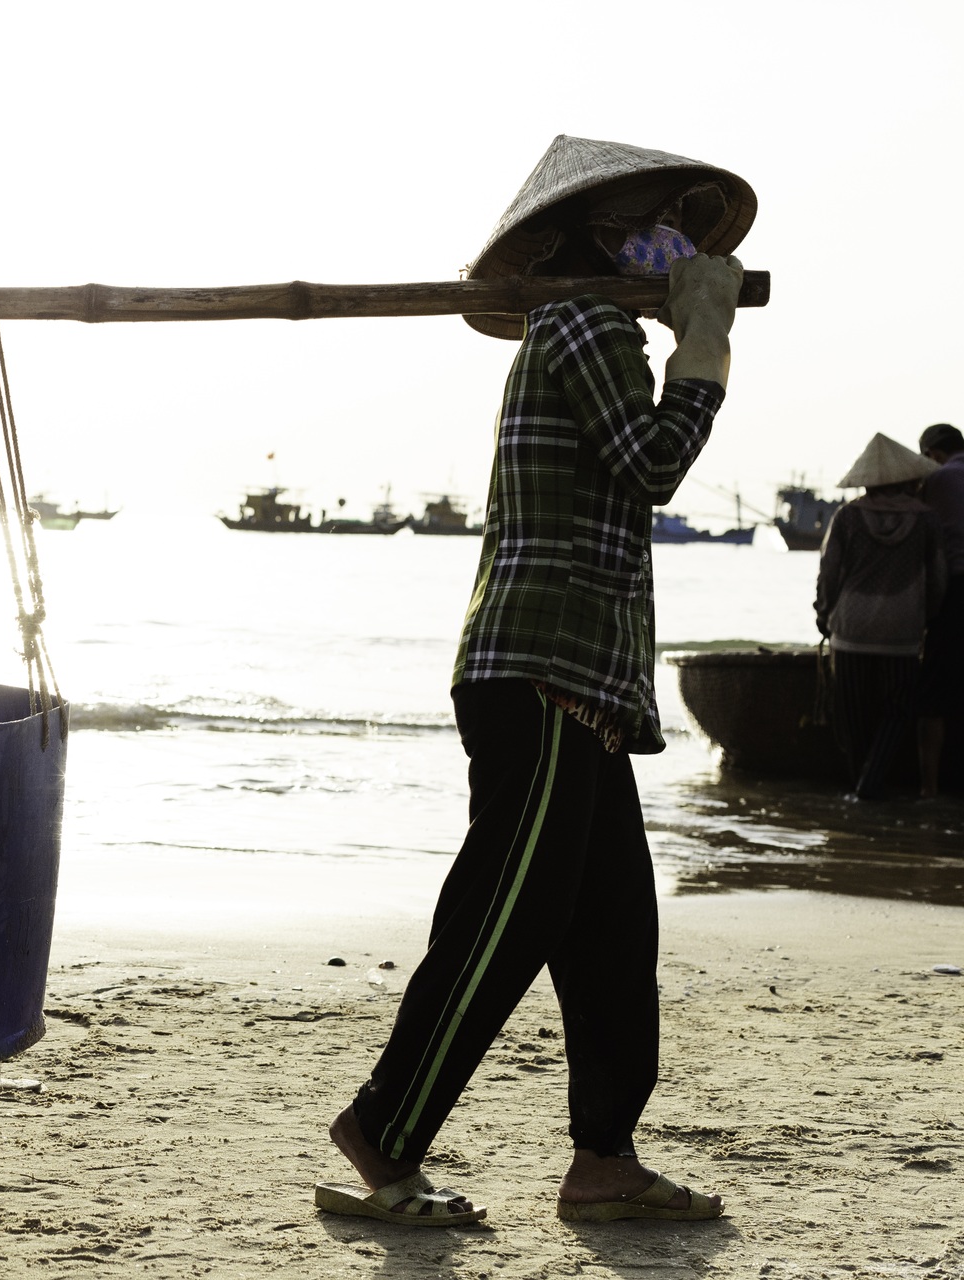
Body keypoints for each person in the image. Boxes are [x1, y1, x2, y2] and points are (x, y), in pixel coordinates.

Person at [315, 136, 751, 1227]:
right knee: (504, 919)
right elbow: (653, 465)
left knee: (614, 938)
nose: (678, 246)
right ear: (603, 238)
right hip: (543, 674)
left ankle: (604, 1157)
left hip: (588, 685)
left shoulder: (584, 327)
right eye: (659, 226)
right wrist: (705, 341)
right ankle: (387, 1126)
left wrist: (695, 335)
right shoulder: (585, 320)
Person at [814, 435, 946, 798]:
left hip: (852, 629)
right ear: (908, 480)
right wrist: (928, 617)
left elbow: (829, 573)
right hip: (903, 631)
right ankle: (869, 785)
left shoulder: (847, 516)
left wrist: (824, 613)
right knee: (897, 712)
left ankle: (862, 791)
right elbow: (938, 577)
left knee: (853, 718)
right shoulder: (927, 520)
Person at [916, 423, 964, 797]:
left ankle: (930, 791)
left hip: (955, 590)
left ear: (932, 454)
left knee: (934, 694)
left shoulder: (939, 478)